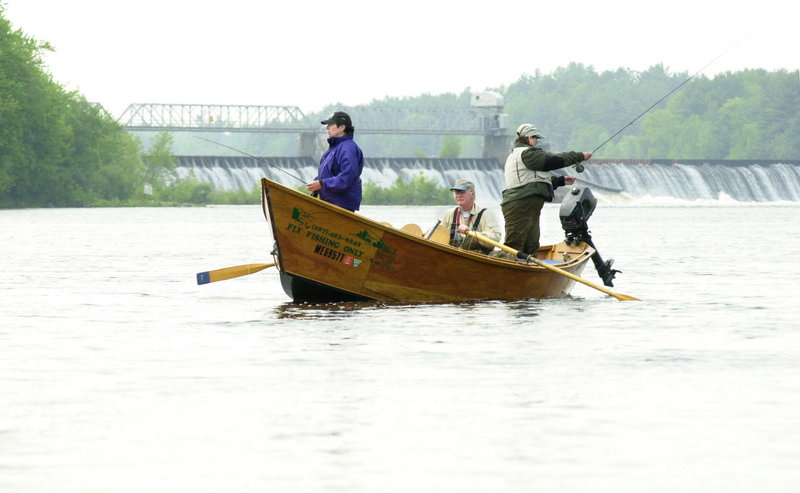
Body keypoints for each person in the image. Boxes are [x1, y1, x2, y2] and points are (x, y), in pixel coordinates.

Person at [501, 123, 591, 256]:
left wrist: (560, 181)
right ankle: (504, 272)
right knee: (514, 246)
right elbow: (552, 160)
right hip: (519, 205)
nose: (537, 141)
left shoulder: (523, 155)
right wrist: (578, 156)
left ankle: (529, 274)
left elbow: (533, 180)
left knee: (531, 245)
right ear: (529, 137)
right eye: (536, 138)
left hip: (527, 205)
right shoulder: (527, 154)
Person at [306, 111, 364, 212]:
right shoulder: (334, 148)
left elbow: (347, 177)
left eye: (330, 125)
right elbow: (329, 174)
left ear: (342, 127)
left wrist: (322, 184)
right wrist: (317, 184)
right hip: (330, 204)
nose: (327, 128)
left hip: (341, 206)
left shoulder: (347, 148)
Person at [441, 179, 502, 254]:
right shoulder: (449, 214)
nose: (459, 196)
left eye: (462, 192)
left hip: (478, 258)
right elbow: (440, 238)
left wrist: (472, 233)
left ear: (472, 194)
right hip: (453, 256)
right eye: (456, 192)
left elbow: (495, 239)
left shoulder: (486, 214)